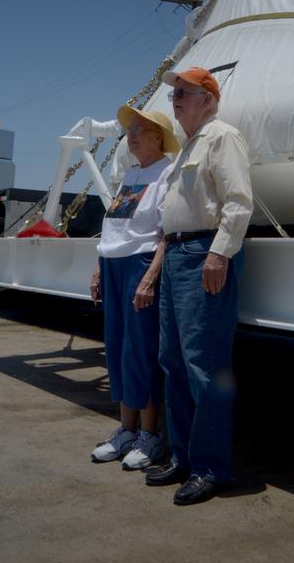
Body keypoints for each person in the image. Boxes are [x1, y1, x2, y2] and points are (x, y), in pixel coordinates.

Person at [144, 67, 253, 505]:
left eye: (184, 93)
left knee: (203, 365)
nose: (175, 99)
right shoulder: (188, 146)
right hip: (176, 255)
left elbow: (238, 202)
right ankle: (183, 456)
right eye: (174, 93)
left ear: (208, 99)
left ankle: (211, 469)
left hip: (203, 254)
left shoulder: (222, 137)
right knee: (172, 360)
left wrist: (219, 253)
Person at [89, 106, 179, 470]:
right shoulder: (131, 175)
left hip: (140, 263)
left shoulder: (167, 172)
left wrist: (151, 275)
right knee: (115, 348)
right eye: (131, 130)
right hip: (112, 264)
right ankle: (125, 429)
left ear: (160, 136)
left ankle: (149, 434)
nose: (133, 135)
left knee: (139, 349)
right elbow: (114, 227)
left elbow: (166, 233)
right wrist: (98, 267)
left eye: (141, 129)